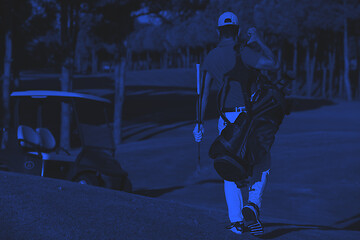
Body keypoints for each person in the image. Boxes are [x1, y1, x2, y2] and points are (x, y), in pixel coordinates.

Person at [192, 12, 278, 236]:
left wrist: (199, 124)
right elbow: (272, 63)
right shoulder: (244, 53)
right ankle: (253, 204)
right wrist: (258, 40)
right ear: (238, 31)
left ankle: (237, 221)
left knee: (230, 167)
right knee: (262, 161)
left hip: (225, 121)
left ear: (218, 32)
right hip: (247, 119)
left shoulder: (211, 57)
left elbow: (205, 95)